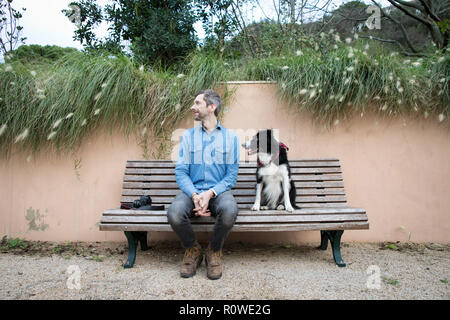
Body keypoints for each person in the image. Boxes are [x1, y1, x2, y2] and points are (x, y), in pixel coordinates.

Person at [167, 89, 240, 280]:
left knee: (230, 210)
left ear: (211, 107)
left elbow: (231, 177)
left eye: (197, 103)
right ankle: (192, 249)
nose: (193, 107)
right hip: (192, 191)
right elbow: (181, 171)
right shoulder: (188, 137)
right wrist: (195, 195)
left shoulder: (231, 138)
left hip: (218, 193)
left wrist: (209, 195)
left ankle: (214, 250)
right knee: (174, 213)